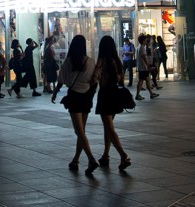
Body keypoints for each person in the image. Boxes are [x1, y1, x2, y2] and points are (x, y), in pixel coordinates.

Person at [58, 35, 99, 174]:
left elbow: (62, 79)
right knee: (82, 131)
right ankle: (75, 160)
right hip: (86, 97)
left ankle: (91, 159)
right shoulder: (90, 61)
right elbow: (94, 80)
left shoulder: (69, 61)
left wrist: (55, 92)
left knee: (79, 131)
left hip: (74, 97)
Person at [92, 35, 132, 171]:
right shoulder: (117, 61)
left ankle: (123, 155)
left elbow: (95, 78)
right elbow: (121, 80)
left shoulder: (102, 61)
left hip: (105, 95)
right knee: (107, 127)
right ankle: (106, 155)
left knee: (109, 128)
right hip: (115, 94)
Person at [135, 35, 158, 100]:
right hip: (143, 68)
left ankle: (151, 94)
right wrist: (148, 66)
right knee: (141, 81)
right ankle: (137, 95)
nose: (146, 41)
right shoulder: (142, 48)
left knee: (147, 80)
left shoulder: (139, 47)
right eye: (145, 40)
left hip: (142, 67)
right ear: (143, 41)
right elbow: (144, 58)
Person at [43, 35, 61, 103]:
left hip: (49, 63)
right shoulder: (49, 47)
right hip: (49, 64)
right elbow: (49, 56)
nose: (53, 41)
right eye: (52, 40)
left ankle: (50, 88)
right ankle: (49, 88)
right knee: (50, 76)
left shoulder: (48, 47)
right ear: (50, 41)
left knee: (51, 76)